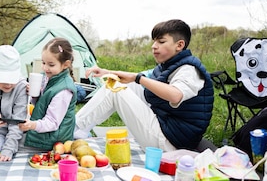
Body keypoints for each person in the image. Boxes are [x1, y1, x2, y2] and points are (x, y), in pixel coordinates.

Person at [74, 19, 214, 151]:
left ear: (179, 45)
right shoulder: (168, 65)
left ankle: (74, 129)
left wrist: (138, 78)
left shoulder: (188, 70)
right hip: (167, 127)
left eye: (161, 41)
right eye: (154, 42)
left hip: (171, 142)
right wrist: (107, 72)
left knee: (117, 90)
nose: (154, 46)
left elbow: (175, 95)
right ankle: (78, 127)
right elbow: (135, 78)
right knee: (121, 84)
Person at [19, 37, 77, 150]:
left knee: (12, 139)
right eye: (43, 62)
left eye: (51, 65)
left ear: (65, 64)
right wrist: (35, 95)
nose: (45, 68)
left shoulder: (64, 90)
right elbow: (44, 102)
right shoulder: (49, 77)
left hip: (53, 140)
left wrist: (32, 125)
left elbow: (52, 123)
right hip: (44, 130)